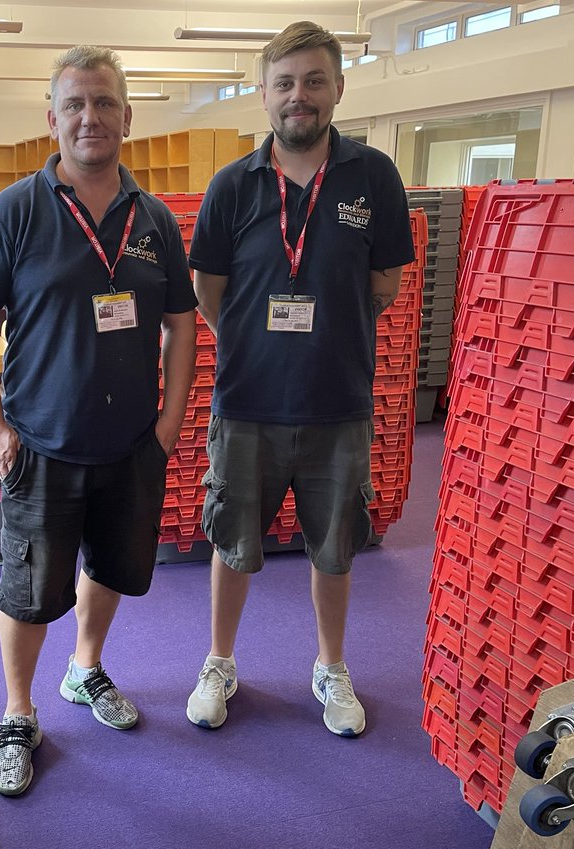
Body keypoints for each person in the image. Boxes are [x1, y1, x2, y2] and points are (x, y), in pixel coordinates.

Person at [0, 45, 197, 796]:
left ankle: (84, 670)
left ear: (126, 116)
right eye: (76, 105)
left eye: (105, 103)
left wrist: (170, 422)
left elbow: (183, 324)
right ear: (53, 118)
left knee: (111, 568)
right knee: (28, 590)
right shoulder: (16, 212)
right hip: (41, 444)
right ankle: (19, 712)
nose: (91, 117)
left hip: (131, 446)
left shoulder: (153, 218)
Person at [185, 21, 415, 737]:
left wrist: (326, 336)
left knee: (335, 544)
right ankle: (219, 661)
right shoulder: (232, 186)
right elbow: (207, 289)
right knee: (232, 543)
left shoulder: (372, 176)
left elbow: (386, 283)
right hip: (247, 402)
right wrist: (254, 342)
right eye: (284, 83)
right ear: (263, 94)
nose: (299, 97)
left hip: (336, 402)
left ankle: (331, 666)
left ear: (339, 88)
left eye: (315, 81)